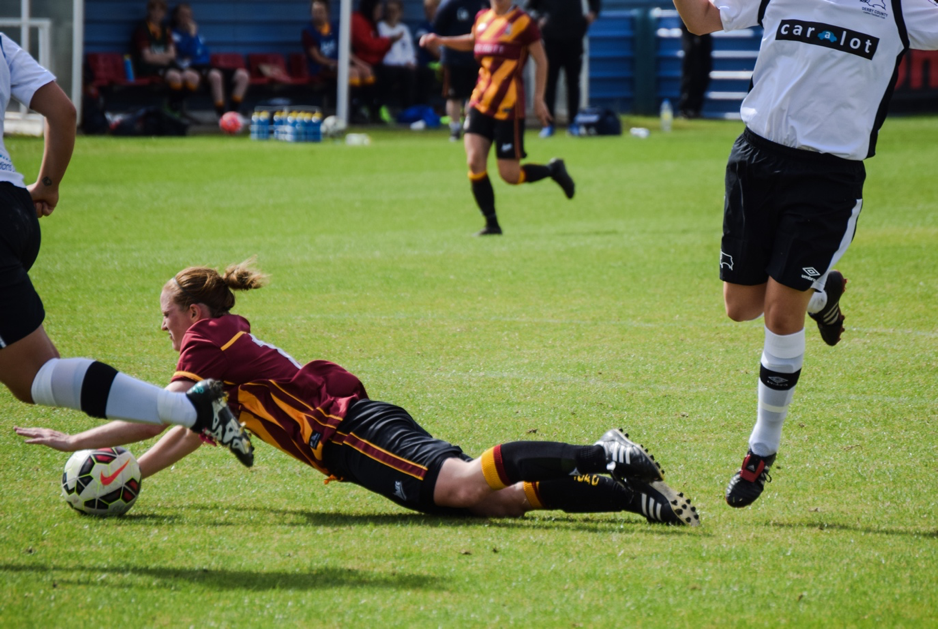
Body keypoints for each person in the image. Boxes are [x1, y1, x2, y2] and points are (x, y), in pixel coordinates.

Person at [15, 262, 700, 525]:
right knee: (492, 501)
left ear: (192, 313)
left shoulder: (205, 339)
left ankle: (604, 452)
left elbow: (155, 416)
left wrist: (81, 439)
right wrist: (128, 469)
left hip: (349, 430)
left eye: (164, 314)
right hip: (349, 438)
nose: (161, 326)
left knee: (465, 485)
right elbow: (188, 431)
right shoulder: (221, 345)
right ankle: (624, 493)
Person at [673, 0, 938, 507]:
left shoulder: (899, 7)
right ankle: (821, 296)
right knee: (741, 307)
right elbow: (700, 20)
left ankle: (761, 450)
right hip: (756, 161)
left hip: (827, 178)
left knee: (779, 312)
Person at [0, 33, 252, 466]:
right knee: (31, 376)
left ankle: (190, 408)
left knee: (35, 375)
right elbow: (63, 111)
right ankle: (190, 408)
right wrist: (47, 185)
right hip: (13, 208)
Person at [421, 0, 576, 236]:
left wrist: (539, 98)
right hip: (480, 102)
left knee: (510, 175)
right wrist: (442, 41)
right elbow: (473, 41)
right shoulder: (482, 17)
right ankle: (491, 223)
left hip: (509, 106)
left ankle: (553, 170)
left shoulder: (523, 22)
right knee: (474, 161)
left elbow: (542, 60)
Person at [526, 0, 600, 137]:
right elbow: (531, 7)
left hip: (574, 37)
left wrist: (593, 12)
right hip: (551, 39)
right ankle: (548, 124)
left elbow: (595, 4)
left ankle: (573, 122)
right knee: (550, 82)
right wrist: (539, 19)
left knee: (573, 82)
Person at [170, 3, 250, 119]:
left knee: (243, 75)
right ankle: (221, 115)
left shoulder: (197, 34)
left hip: (206, 65)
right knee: (215, 76)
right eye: (183, 15)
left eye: (189, 15)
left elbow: (203, 52)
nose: (186, 18)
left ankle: (233, 114)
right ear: (176, 17)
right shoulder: (174, 34)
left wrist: (194, 40)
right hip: (192, 67)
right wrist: (192, 36)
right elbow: (190, 52)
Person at [432, 0, 487, 141]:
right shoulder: (450, 4)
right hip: (454, 59)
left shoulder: (483, 3)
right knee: (454, 95)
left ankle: (470, 125)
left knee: (474, 95)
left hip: (477, 58)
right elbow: (438, 26)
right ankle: (455, 128)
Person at [130, 0, 197, 113]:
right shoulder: (142, 30)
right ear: (149, 11)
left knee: (193, 77)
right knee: (175, 77)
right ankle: (172, 109)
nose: (157, 13)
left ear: (164, 13)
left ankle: (174, 105)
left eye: (160, 11)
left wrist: (159, 57)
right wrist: (164, 58)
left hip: (167, 65)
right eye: (154, 10)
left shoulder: (165, 30)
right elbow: (147, 57)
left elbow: (173, 54)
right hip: (149, 68)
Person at [352, 0, 404, 121]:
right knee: (375, 75)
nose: (380, 13)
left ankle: (379, 108)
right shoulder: (357, 21)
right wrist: (389, 41)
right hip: (360, 62)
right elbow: (368, 45)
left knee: (398, 74)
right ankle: (370, 109)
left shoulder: (373, 23)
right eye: (378, 10)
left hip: (373, 62)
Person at [377, 0, 419, 111]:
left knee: (426, 73)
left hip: (405, 65)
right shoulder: (380, 27)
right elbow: (383, 53)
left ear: (400, 12)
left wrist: (411, 62)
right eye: (389, 11)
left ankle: (419, 109)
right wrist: (404, 63)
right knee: (405, 74)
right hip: (388, 65)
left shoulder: (403, 28)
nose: (392, 14)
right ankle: (406, 110)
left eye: (395, 11)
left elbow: (410, 50)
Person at [678, 23, 711, 119]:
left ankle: (696, 108)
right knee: (691, 68)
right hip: (691, 25)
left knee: (705, 68)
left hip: (706, 26)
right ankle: (686, 108)